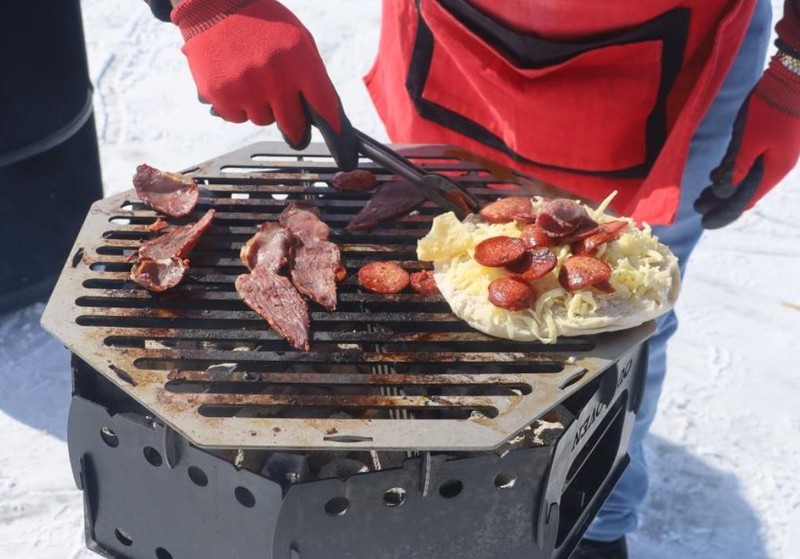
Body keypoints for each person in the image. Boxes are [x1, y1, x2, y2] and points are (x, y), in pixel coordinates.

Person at [144, 1, 799, 557]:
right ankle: (411, 486)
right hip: (457, 34)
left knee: (620, 319)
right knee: (432, 267)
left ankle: (594, 521)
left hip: (675, 46)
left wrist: (796, 70)